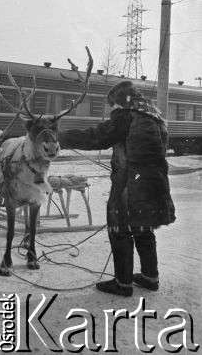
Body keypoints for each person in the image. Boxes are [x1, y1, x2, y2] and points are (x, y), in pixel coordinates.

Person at [59, 80, 176, 297]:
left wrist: (62, 137)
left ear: (119, 100)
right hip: (153, 183)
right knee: (143, 228)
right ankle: (151, 278)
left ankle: (123, 284)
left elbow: (97, 136)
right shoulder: (156, 118)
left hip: (129, 184)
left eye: (111, 103)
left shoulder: (126, 115)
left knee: (119, 229)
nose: (111, 108)